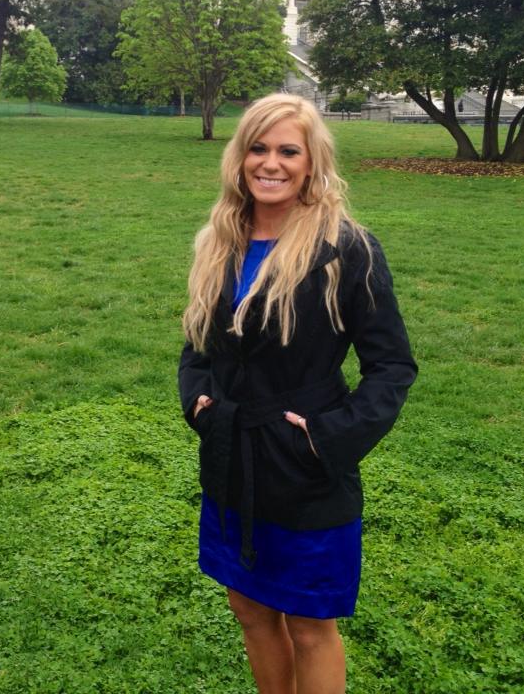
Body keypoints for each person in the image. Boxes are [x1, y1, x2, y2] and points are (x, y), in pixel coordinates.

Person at [178, 93, 417, 694]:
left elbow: (392, 366)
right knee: (251, 611)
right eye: (258, 148)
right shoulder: (221, 239)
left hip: (308, 466)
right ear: (240, 157)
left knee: (311, 626)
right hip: (233, 456)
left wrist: (325, 438)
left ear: (312, 163)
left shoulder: (346, 249)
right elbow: (198, 344)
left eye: (289, 150)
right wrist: (199, 401)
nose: (271, 163)